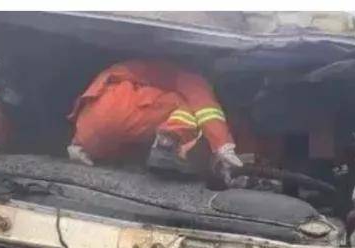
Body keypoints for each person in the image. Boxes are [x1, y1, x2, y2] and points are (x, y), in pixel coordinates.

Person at [66, 59, 242, 183]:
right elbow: (206, 109)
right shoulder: (191, 78)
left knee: (111, 136)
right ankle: (168, 143)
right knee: (189, 104)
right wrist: (223, 146)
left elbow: (101, 114)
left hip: (89, 125)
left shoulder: (145, 69)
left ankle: (83, 150)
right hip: (123, 110)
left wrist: (80, 141)